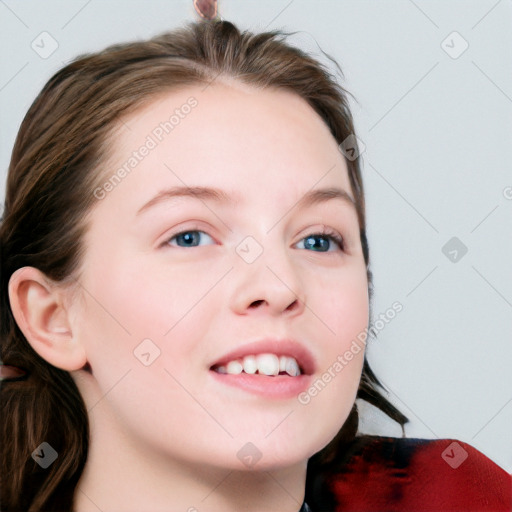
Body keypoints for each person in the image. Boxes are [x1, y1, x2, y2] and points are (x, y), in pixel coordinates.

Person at [0, 19, 509, 512]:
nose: (280, 284)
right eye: (190, 236)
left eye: (318, 240)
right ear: (53, 317)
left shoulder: (460, 499)